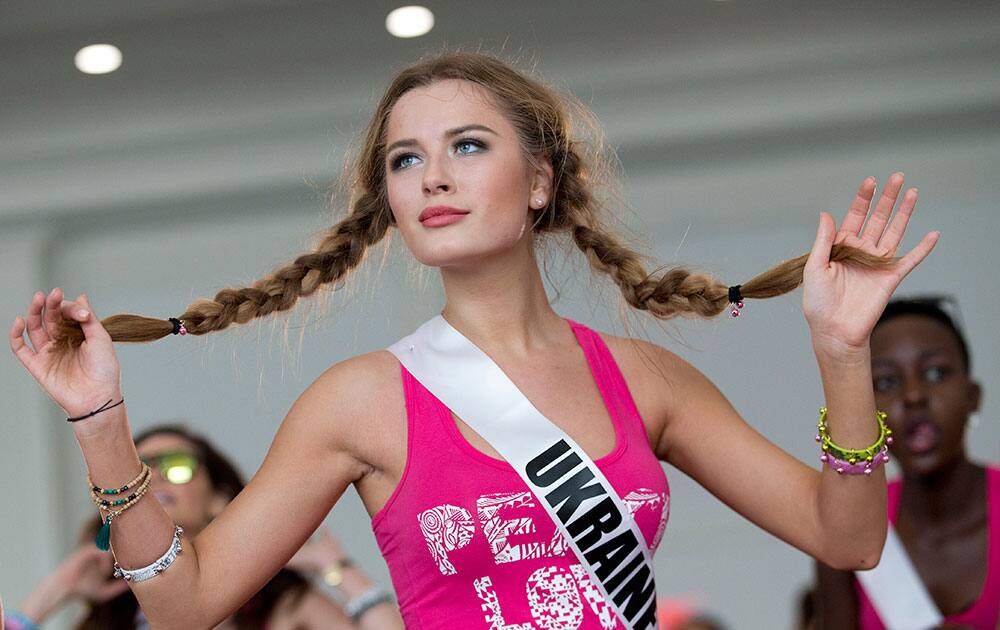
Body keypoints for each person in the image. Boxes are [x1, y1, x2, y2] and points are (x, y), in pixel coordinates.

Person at [8, 52, 939, 629]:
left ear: (540, 181)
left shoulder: (644, 378)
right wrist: (98, 419)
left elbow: (846, 536)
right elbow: (184, 606)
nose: (431, 178)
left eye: (467, 146)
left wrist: (841, 351)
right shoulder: (362, 400)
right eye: (404, 160)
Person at [5, 425, 401, 629]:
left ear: (219, 497)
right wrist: (58, 588)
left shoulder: (278, 604)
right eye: (139, 472)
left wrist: (335, 568)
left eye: (176, 467)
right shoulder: (114, 617)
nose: (153, 481)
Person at [814, 297, 999, 629]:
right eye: (886, 381)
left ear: (973, 396)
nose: (913, 395)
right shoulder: (845, 525)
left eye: (934, 373)